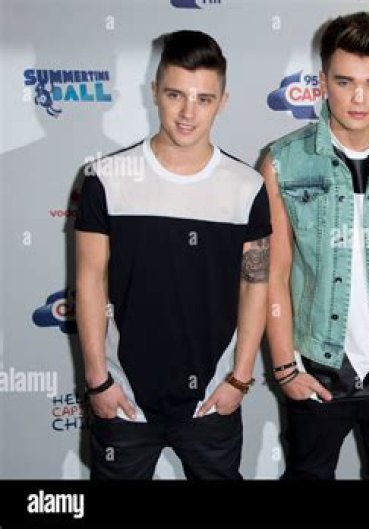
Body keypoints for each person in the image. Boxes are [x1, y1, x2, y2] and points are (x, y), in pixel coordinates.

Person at [75, 30, 271, 479]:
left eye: (204, 99)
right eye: (175, 95)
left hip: (212, 400)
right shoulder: (107, 178)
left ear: (222, 102)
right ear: (154, 92)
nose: (188, 113)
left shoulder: (246, 187)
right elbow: (89, 282)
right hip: (122, 397)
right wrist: (98, 380)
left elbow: (255, 285)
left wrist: (239, 378)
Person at [261, 11, 369, 480]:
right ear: (323, 82)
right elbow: (272, 273)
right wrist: (284, 369)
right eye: (344, 82)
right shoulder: (283, 161)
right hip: (316, 366)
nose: (359, 98)